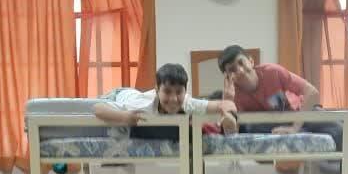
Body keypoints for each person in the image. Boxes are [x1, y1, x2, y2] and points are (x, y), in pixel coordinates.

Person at [218, 44, 343, 146]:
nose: (240, 70)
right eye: (232, 69)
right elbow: (231, 136)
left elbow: (312, 92)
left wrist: (295, 128)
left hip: (299, 114)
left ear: (251, 61)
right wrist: (228, 101)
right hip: (269, 124)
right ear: (227, 76)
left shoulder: (272, 72)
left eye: (241, 63)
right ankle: (302, 132)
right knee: (249, 127)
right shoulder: (233, 95)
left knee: (339, 129)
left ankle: (302, 131)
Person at [93, 63, 239, 139]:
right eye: (167, 92)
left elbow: (223, 104)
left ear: (185, 91)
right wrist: (124, 117)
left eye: (179, 92)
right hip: (118, 95)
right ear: (157, 90)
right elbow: (97, 108)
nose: (174, 99)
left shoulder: (187, 102)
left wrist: (229, 111)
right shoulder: (143, 105)